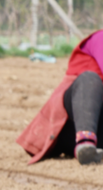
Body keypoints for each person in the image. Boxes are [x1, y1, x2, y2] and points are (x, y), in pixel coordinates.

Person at [17, 32, 103, 165]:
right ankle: (85, 143)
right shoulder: (100, 38)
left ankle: (85, 149)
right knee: (89, 79)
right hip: (71, 120)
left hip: (97, 128)